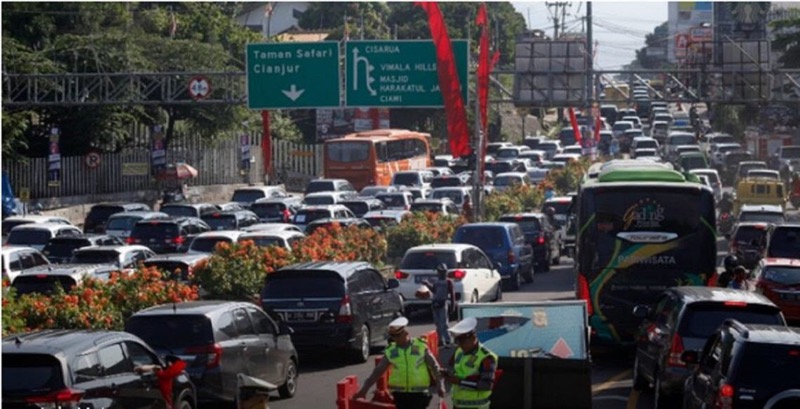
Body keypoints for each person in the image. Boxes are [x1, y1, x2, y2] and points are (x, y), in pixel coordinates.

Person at [354, 317, 445, 409]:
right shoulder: (391, 351)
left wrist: (440, 384)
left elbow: (434, 366)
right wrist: (364, 389)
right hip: (400, 395)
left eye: (397, 336)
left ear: (406, 333)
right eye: (393, 336)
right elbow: (377, 371)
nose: (395, 339)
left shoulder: (420, 346)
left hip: (419, 394)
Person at [442, 317, 498, 409]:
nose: (460, 345)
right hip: (458, 404)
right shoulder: (459, 351)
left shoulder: (487, 357)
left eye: (462, 341)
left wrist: (459, 381)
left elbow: (486, 385)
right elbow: (460, 372)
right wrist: (449, 375)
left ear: (473, 337)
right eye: (457, 341)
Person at [424, 263, 456, 347]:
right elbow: (434, 290)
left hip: (443, 303)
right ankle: (440, 340)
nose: (441, 273)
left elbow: (452, 294)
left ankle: (448, 339)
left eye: (442, 272)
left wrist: (453, 305)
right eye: (439, 272)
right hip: (435, 303)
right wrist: (427, 285)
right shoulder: (436, 281)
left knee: (444, 323)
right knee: (437, 323)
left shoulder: (448, 282)